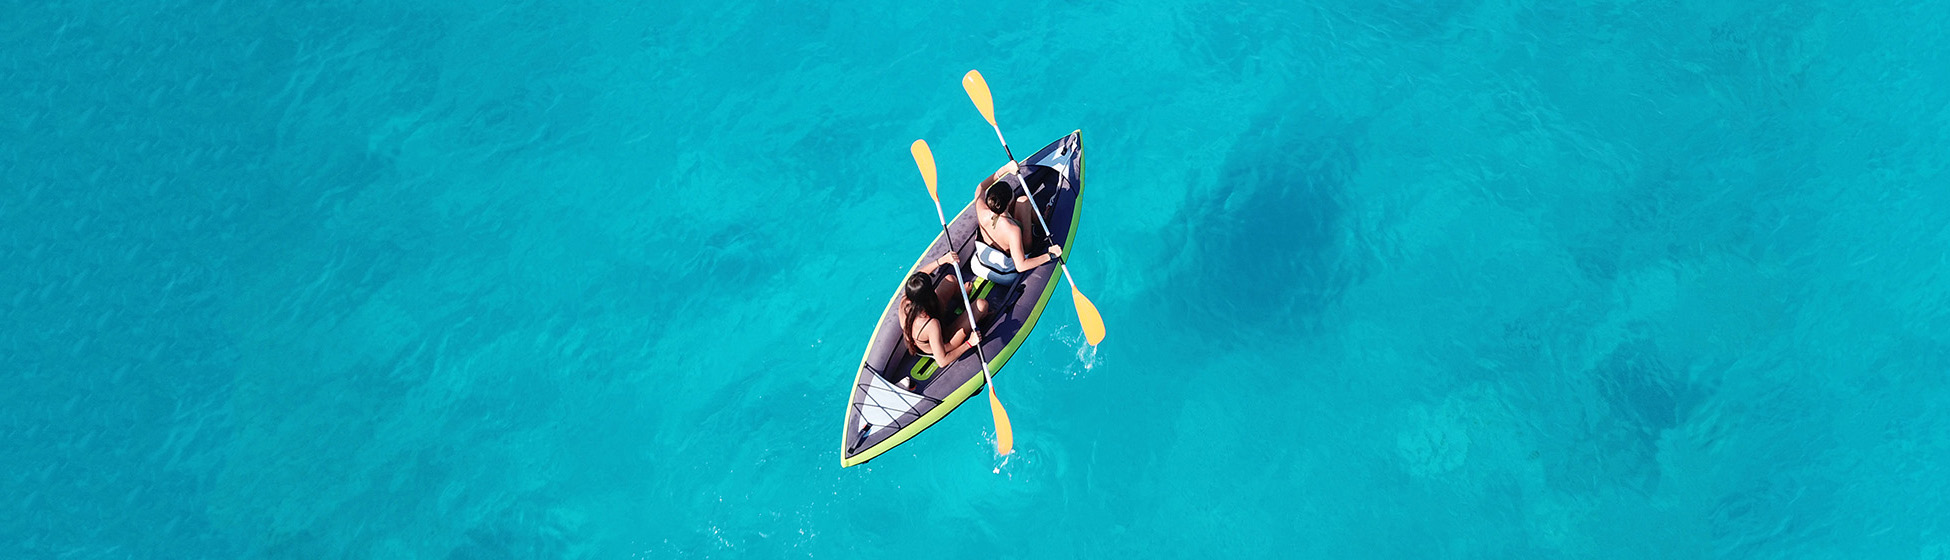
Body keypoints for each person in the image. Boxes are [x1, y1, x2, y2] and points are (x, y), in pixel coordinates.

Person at [900, 251, 992, 383]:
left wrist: (942, 260)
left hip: (929, 320)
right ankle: (981, 316)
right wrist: (969, 343)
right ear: (928, 295)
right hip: (944, 343)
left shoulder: (906, 300)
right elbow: (942, 361)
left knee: (951, 280)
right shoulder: (931, 324)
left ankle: (962, 295)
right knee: (981, 305)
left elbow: (919, 276)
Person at [972, 161, 1061, 284]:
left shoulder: (982, 210)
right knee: (1023, 201)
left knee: (1022, 202)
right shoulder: (1013, 230)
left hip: (979, 264)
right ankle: (1041, 224)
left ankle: (1039, 222)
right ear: (1009, 202)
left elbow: (980, 188)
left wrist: (1005, 169)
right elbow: (1021, 266)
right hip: (1006, 275)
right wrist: (1050, 255)